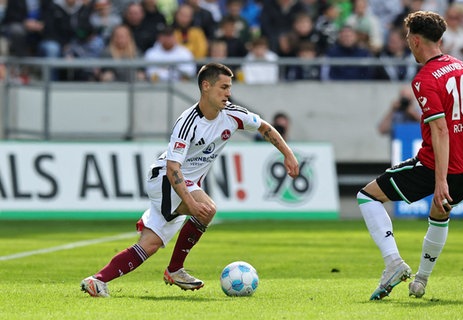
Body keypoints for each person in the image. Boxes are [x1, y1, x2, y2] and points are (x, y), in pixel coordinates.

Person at [81, 62, 300, 297]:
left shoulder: (233, 115)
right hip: (165, 179)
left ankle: (97, 280)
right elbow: (173, 167)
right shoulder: (188, 122)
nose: (228, 93)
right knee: (206, 209)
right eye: (223, 87)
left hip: (184, 184)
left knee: (149, 245)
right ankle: (175, 269)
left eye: (229, 87)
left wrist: (288, 154)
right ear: (206, 86)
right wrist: (192, 204)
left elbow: (265, 128)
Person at [356, 10, 463, 301]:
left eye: (408, 37)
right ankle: (420, 280)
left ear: (418, 39)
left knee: (367, 196)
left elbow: (441, 130)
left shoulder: (425, 79)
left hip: (434, 167)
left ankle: (394, 263)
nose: (408, 42)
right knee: (439, 216)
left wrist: (440, 180)